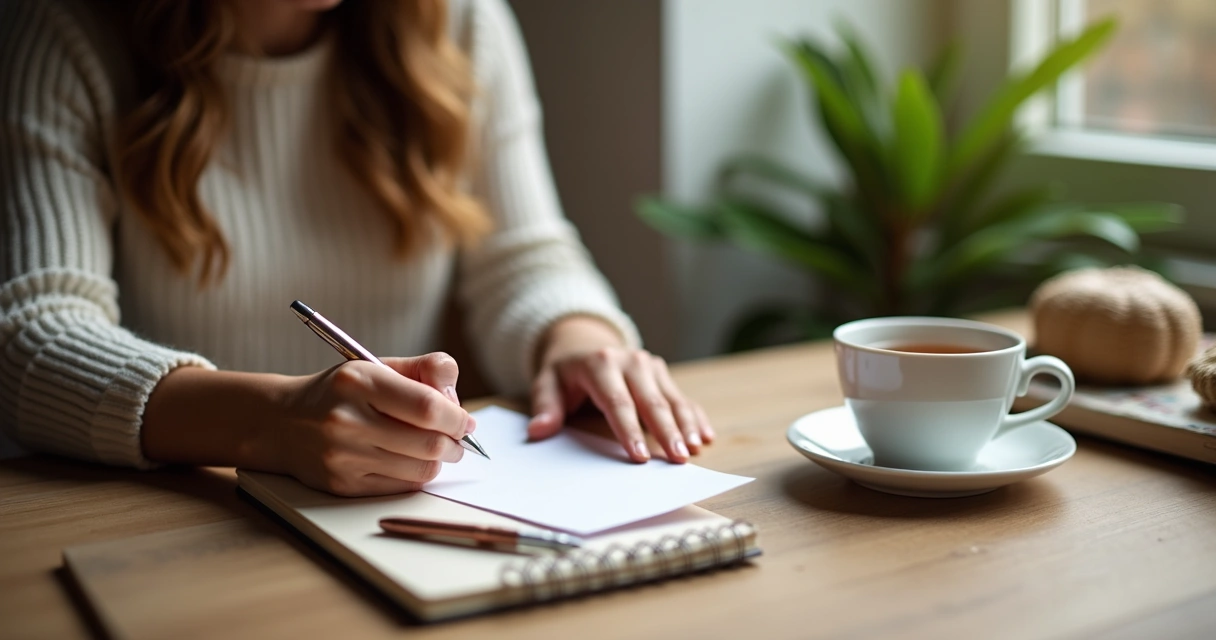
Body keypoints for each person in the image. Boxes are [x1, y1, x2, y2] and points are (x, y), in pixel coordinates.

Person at [0, 0, 714, 496]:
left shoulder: (460, 23)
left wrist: (578, 342)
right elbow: (31, 341)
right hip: (170, 520)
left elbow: (524, 261)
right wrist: (272, 425)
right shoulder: (66, 34)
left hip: (388, 513)